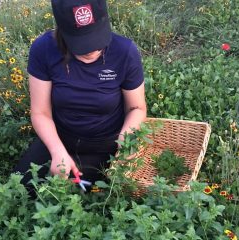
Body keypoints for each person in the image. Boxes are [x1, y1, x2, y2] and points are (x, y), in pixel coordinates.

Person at [13, 0, 147, 192]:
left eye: (96, 39)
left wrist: (124, 144)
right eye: (81, 43)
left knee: (88, 194)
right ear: (62, 29)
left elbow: (137, 108)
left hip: (105, 143)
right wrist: (57, 151)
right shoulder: (43, 49)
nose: (91, 50)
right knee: (23, 188)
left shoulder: (124, 51)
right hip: (60, 137)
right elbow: (40, 112)